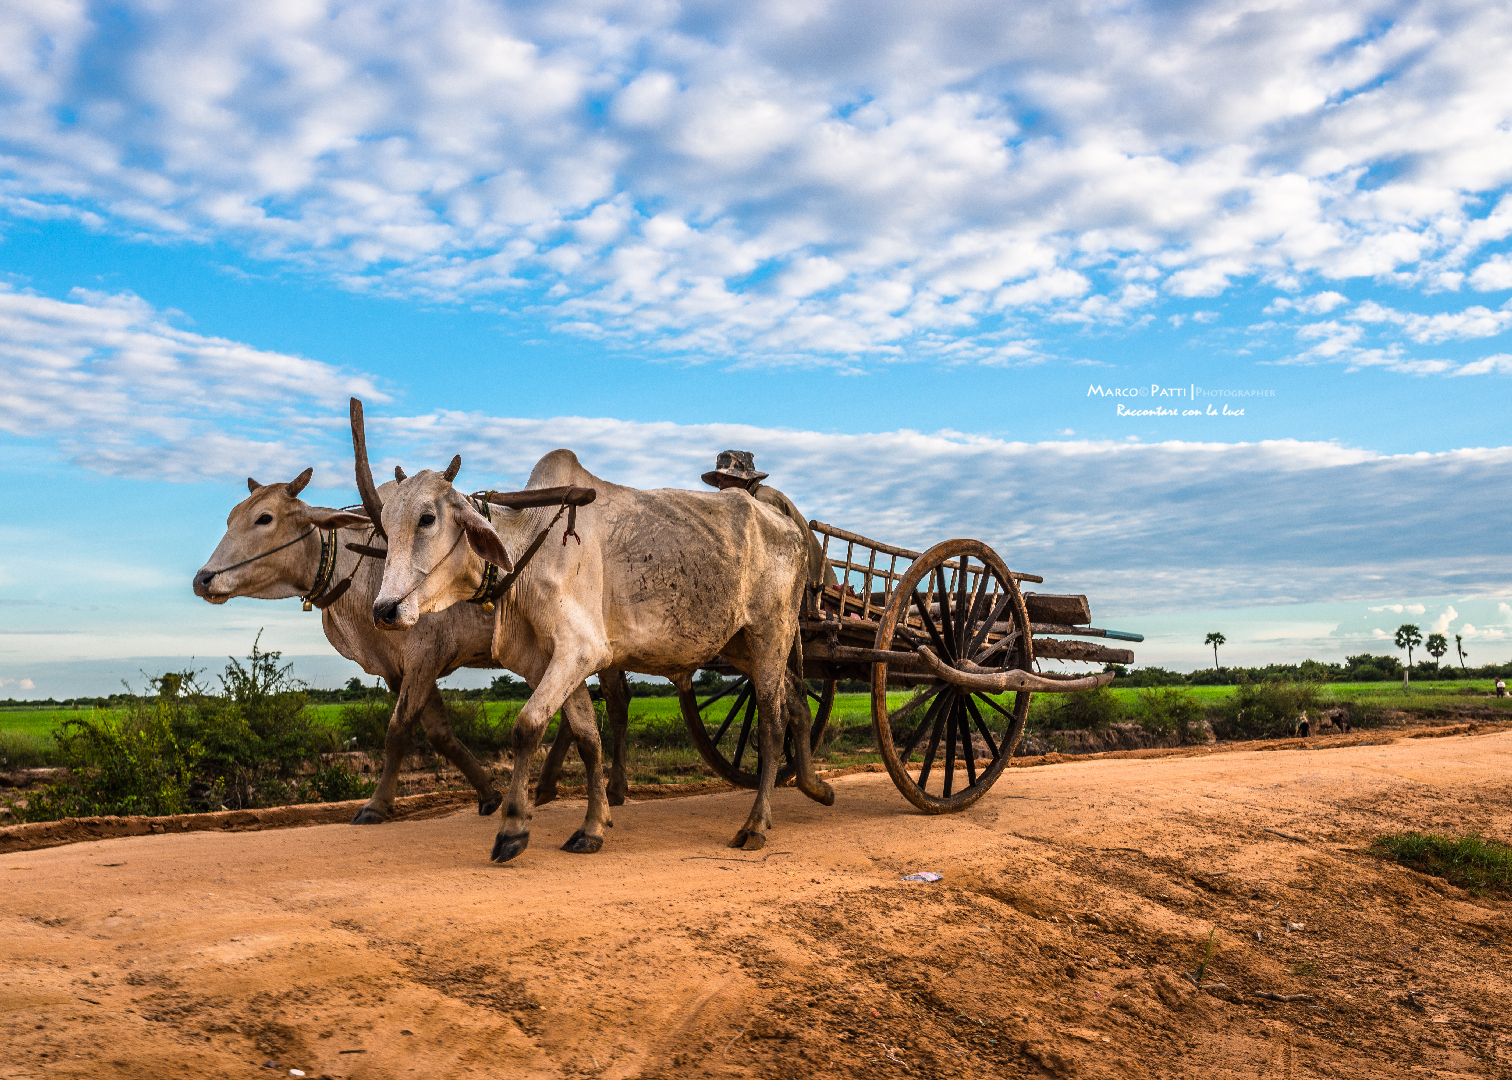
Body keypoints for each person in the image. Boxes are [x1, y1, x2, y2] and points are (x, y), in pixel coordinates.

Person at [701, 450, 833, 591]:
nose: (721, 486)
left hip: (811, 579)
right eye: (719, 481)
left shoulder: (763, 499)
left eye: (726, 479)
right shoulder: (743, 503)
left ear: (745, 479)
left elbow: (773, 549)